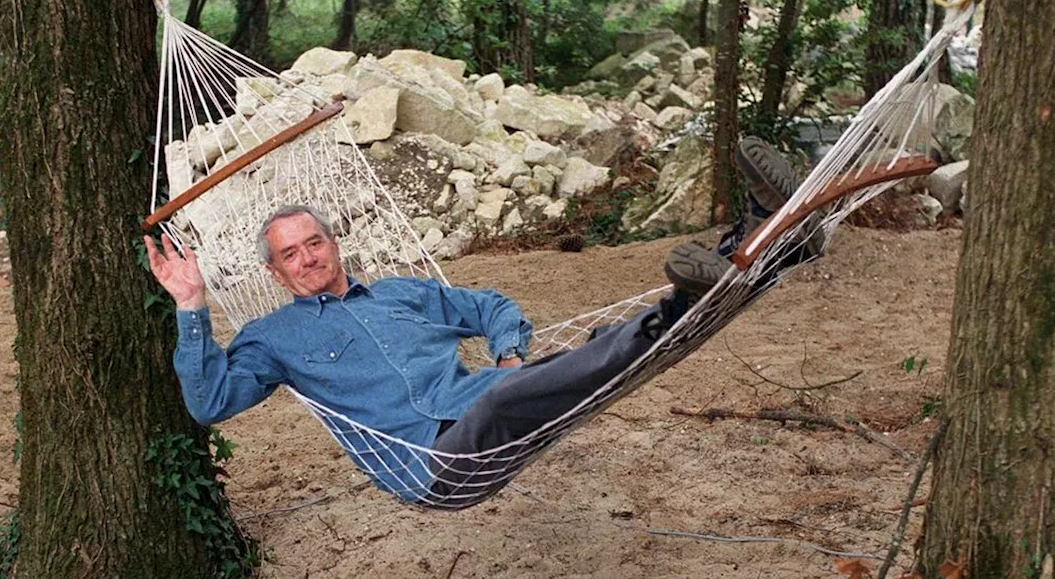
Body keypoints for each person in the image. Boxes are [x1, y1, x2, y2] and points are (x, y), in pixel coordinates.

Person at [145, 137, 810, 501]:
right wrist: (191, 307)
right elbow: (208, 403)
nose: (307, 259)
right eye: (290, 255)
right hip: (435, 465)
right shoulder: (273, 338)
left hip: (497, 401)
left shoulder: (401, 293)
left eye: (313, 243)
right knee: (518, 394)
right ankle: (705, 284)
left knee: (594, 354)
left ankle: (769, 244)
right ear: (276, 273)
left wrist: (512, 350)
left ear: (333, 243)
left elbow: (489, 306)